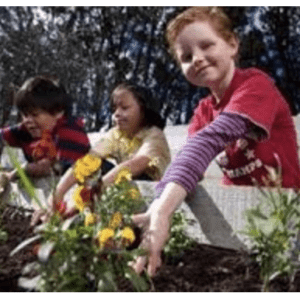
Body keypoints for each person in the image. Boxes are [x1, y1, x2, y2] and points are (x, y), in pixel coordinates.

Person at [131, 6, 300, 276]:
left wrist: (162, 210)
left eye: (206, 45)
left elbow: (213, 137)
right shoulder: (203, 111)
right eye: (186, 56)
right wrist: (159, 206)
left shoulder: (256, 86)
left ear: (232, 44)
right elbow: (190, 162)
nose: (197, 58)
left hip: (285, 223)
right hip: (237, 224)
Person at [31, 81, 171, 224]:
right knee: (91, 166)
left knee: (110, 175)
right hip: (119, 192)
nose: (117, 113)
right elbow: (87, 161)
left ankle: (88, 217)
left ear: (144, 110)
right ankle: (83, 218)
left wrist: (93, 192)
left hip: (150, 197)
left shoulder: (154, 135)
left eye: (124, 107)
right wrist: (57, 195)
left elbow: (136, 164)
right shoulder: (116, 135)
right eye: (114, 108)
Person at [0, 75, 91, 196]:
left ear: (58, 112)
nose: (28, 120)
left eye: (35, 114)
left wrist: (16, 173)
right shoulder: (27, 129)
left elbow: (53, 167)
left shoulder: (69, 132)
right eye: (25, 114)